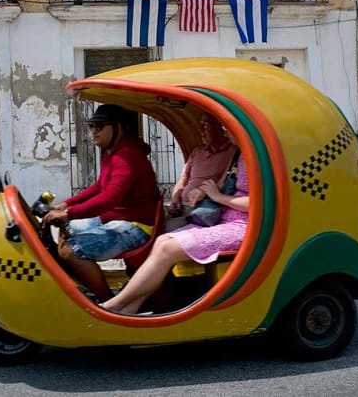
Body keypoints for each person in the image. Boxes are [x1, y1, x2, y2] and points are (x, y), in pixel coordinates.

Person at [101, 125, 248, 315]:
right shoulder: (237, 154)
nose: (224, 131)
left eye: (227, 126)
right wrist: (203, 191)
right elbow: (219, 184)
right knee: (162, 240)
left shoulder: (257, 158)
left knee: (167, 248)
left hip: (244, 226)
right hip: (222, 219)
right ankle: (130, 307)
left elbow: (260, 202)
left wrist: (220, 198)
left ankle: (113, 305)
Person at [42, 104, 159, 302]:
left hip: (136, 226)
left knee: (70, 252)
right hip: (118, 217)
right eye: (91, 125)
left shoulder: (127, 156)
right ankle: (83, 283)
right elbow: (99, 186)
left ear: (118, 128)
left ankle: (105, 303)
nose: (94, 130)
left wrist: (70, 213)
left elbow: (110, 197)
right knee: (65, 226)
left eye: (99, 125)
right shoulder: (111, 151)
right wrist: (66, 205)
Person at [168, 113, 237, 221]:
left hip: (204, 207)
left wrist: (203, 192)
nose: (200, 130)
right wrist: (175, 198)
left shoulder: (231, 152)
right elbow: (183, 179)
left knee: (167, 230)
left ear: (221, 128)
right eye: (200, 124)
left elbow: (224, 182)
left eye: (205, 125)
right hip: (181, 206)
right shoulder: (197, 151)